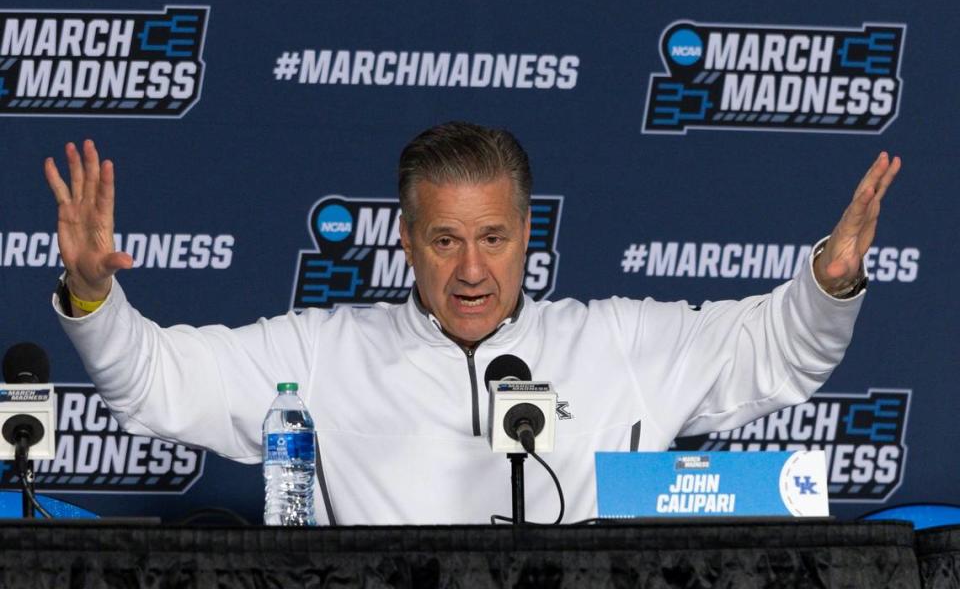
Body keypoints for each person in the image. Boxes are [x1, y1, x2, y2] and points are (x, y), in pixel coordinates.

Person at [45, 122, 900, 525]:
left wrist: (827, 284)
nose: (471, 270)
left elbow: (770, 353)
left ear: (529, 233)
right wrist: (94, 297)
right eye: (446, 240)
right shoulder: (322, 352)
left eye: (494, 238)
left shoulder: (623, 341)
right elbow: (158, 384)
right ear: (407, 239)